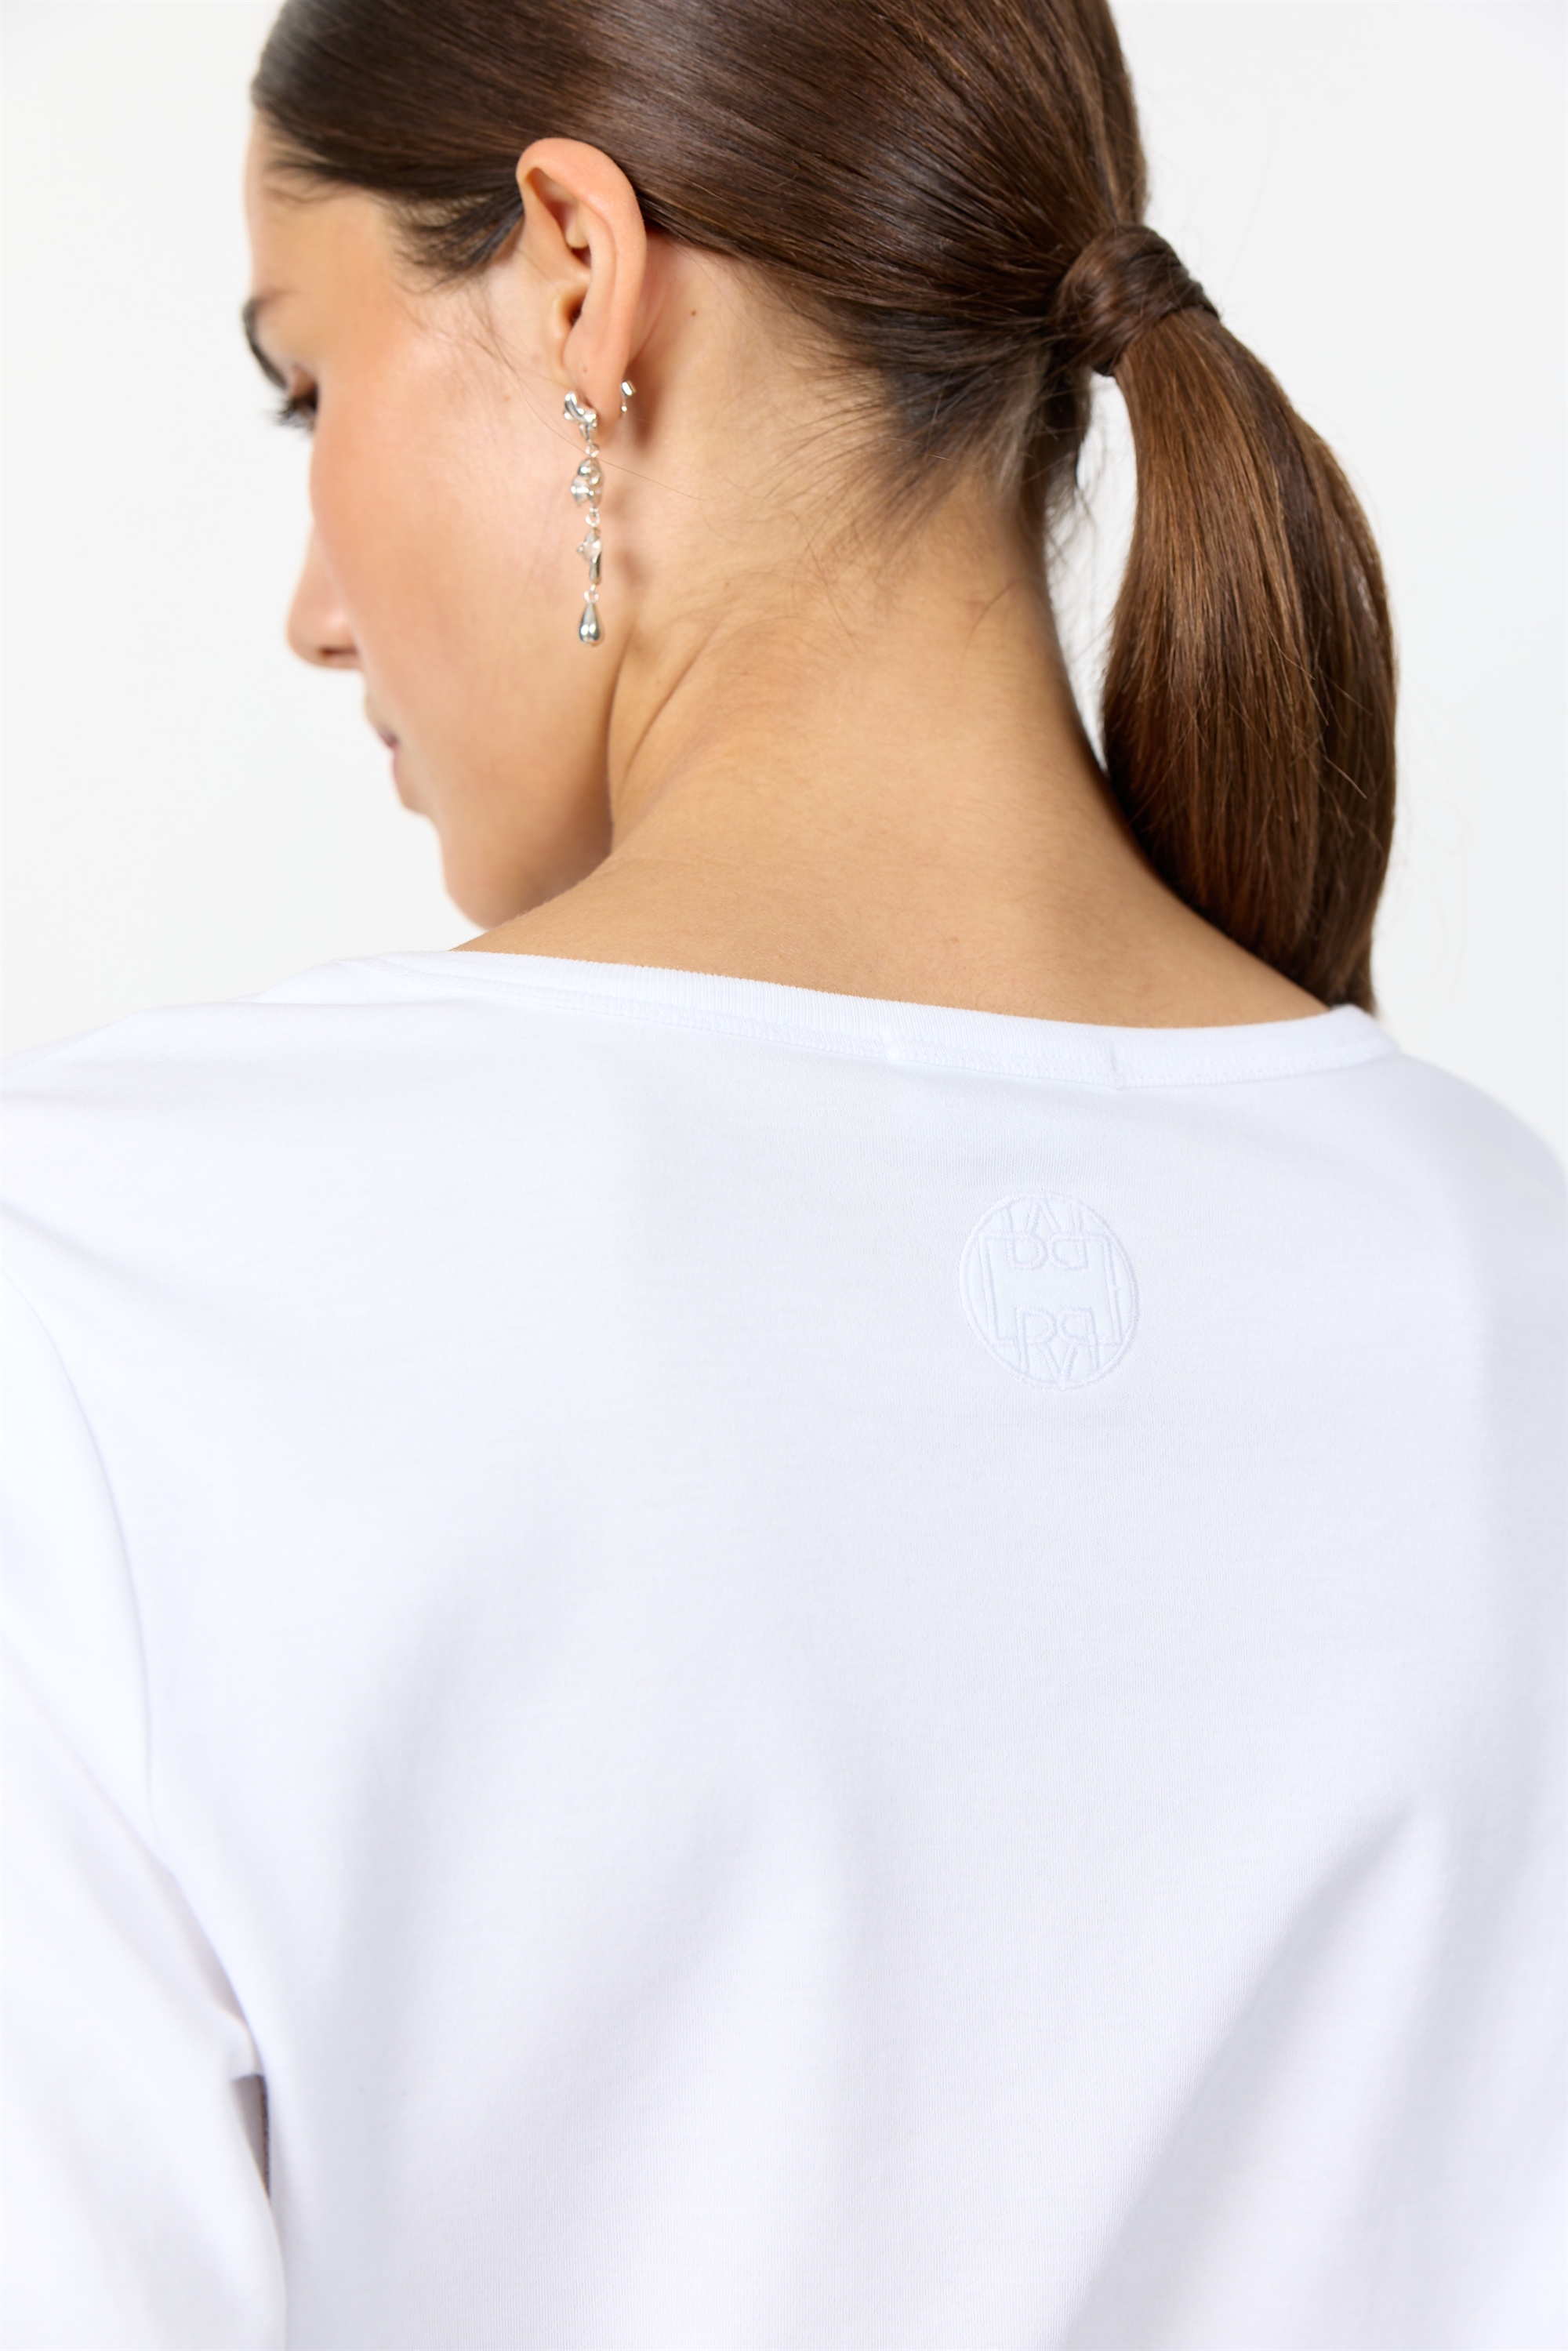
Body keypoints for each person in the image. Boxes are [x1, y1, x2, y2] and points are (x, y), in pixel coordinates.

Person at [3, 0, 1561, 2342]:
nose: (313, 611)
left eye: (308, 391)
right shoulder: (1504, 1275)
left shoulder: (109, 1286)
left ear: (576, 274)